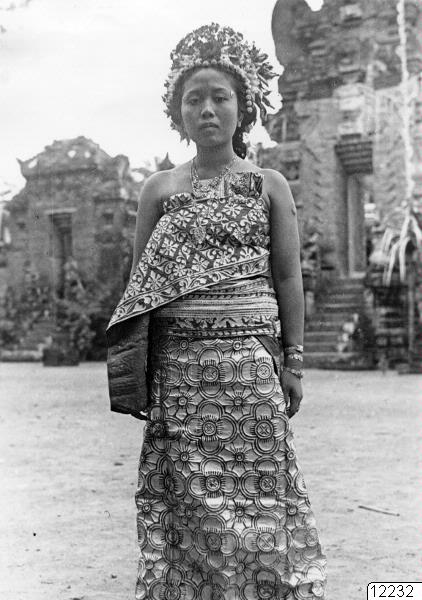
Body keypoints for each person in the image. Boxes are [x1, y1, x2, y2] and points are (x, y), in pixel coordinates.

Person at [107, 23, 327, 600]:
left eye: (220, 97)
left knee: (260, 494)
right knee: (185, 498)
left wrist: (294, 362)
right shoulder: (159, 190)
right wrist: (138, 372)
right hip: (179, 372)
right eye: (193, 99)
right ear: (177, 111)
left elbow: (288, 277)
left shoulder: (269, 185)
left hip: (250, 368)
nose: (206, 110)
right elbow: (142, 288)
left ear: (243, 105)